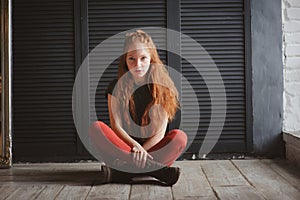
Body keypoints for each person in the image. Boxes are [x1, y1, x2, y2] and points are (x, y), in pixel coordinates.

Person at [89, 30, 187, 186]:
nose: (138, 64)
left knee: (179, 137)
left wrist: (142, 152)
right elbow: (116, 126)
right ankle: (156, 171)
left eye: (143, 58)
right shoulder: (115, 86)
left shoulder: (163, 88)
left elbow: (160, 134)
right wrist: (135, 147)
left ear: (151, 59)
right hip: (122, 148)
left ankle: (121, 172)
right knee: (97, 128)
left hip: (152, 152)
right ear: (125, 60)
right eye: (132, 59)